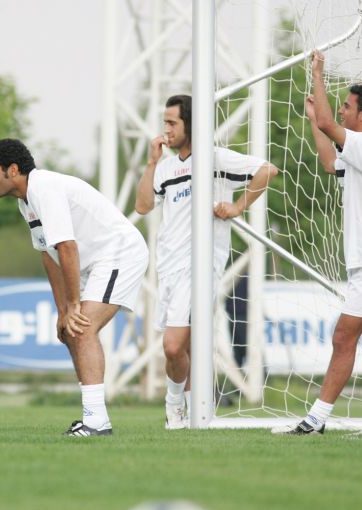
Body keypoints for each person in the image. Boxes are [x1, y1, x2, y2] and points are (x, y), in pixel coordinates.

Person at [0, 138, 149, 437]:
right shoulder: (25, 201)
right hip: (93, 261)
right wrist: (62, 311)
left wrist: (73, 306)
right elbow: (50, 255)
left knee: (81, 327)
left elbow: (67, 248)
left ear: (13, 170)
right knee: (72, 330)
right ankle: (94, 418)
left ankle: (96, 422)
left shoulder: (43, 189)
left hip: (119, 252)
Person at [276, 51, 362, 436]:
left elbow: (330, 124)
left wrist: (318, 74)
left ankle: (315, 420)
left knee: (343, 336)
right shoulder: (359, 151)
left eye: (347, 106)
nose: (342, 110)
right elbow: (330, 163)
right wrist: (314, 119)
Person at [135, 94, 279, 429]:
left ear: (190, 124)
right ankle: (191, 410)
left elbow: (267, 170)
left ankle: (174, 406)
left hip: (199, 267)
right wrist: (151, 163)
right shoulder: (166, 168)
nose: (166, 129)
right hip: (168, 267)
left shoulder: (215, 159)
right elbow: (143, 206)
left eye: (172, 122)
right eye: (165, 122)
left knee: (173, 346)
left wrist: (237, 207)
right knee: (183, 347)